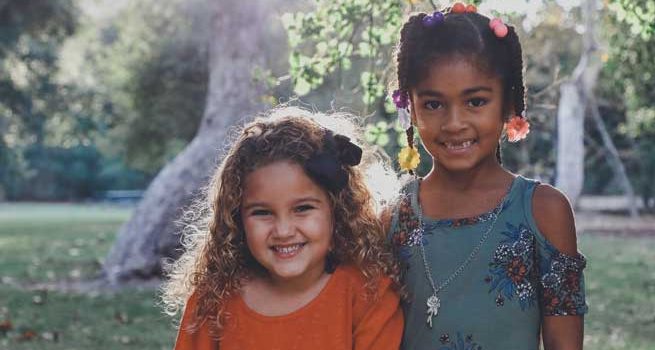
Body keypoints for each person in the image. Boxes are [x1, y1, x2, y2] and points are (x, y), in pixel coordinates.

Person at [385, 2, 587, 349]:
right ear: (411, 108)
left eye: (475, 102)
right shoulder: (393, 215)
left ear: (508, 104)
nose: (454, 123)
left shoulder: (543, 211)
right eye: (433, 104)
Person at [162, 107, 403, 349]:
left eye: (302, 208)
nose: (284, 230)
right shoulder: (213, 300)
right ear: (236, 219)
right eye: (262, 212)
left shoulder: (368, 294)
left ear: (337, 210)